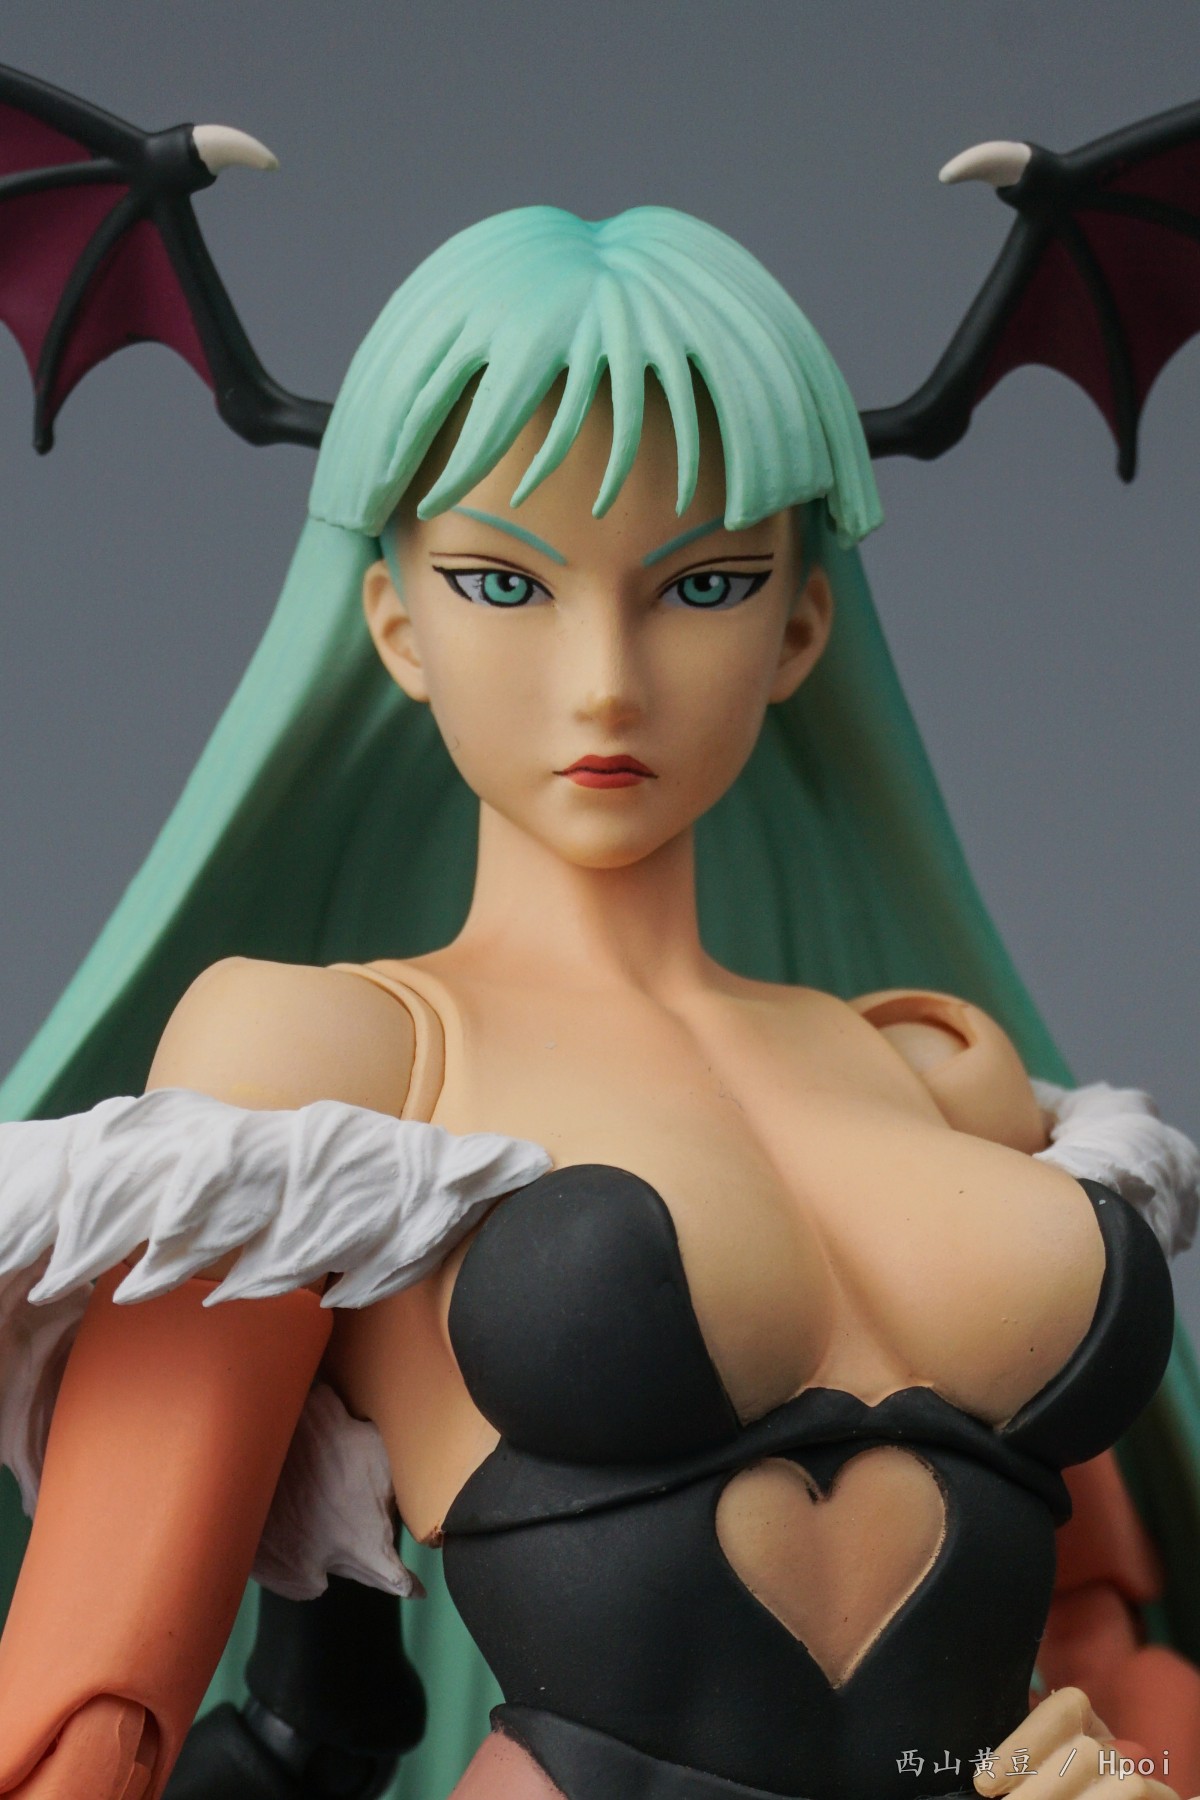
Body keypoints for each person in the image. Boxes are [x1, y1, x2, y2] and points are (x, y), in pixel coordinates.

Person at [0, 205, 1197, 1800]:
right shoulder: (334, 1063)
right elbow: (95, 1698)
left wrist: (1148, 1772)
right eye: (505, 581)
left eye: (703, 585)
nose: (607, 681)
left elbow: (1106, 1650)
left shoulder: (929, 1069)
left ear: (800, 624)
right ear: (396, 624)